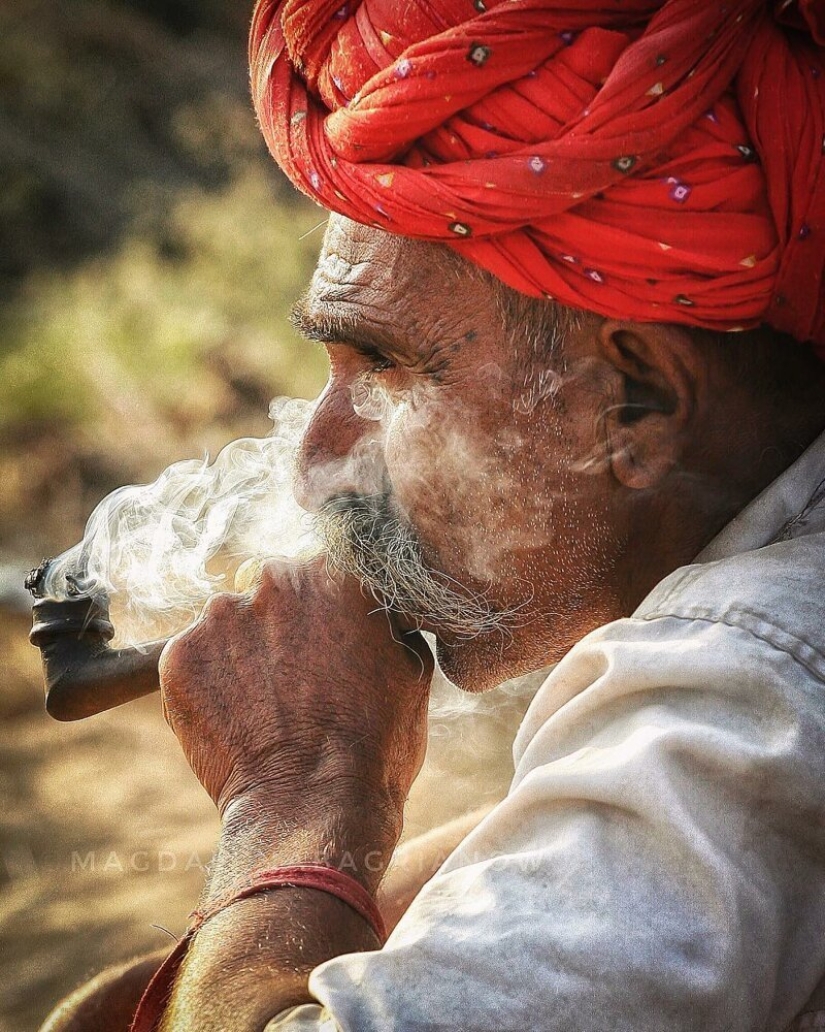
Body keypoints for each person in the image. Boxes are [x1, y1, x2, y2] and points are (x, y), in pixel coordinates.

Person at [42, 0, 825, 1029]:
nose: (315, 464)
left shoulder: (740, 690)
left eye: (382, 366)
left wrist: (301, 795)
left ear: (635, 401)